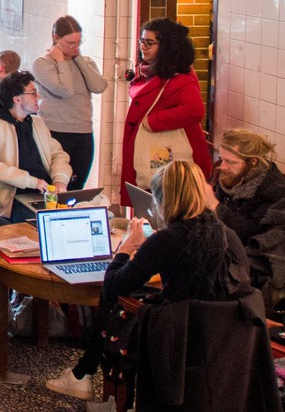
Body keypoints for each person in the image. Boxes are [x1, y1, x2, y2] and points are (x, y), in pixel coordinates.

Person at [46, 160, 252, 400]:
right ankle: (83, 372)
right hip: (225, 337)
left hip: (175, 335)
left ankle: (84, 373)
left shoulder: (166, 239)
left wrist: (125, 248)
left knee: (114, 305)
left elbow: (113, 287)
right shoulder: (227, 234)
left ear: (165, 200)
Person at [120, 17, 212, 206]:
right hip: (153, 151)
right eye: (141, 41)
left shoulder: (180, 79)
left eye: (149, 43)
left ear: (166, 47)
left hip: (167, 155)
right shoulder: (152, 72)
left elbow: (194, 110)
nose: (143, 47)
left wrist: (153, 122)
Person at [0, 71, 72, 222]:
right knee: (39, 224)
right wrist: (32, 182)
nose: (37, 97)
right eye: (33, 93)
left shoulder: (36, 123)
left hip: (44, 194)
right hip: (14, 200)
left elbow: (58, 154)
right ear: (17, 99)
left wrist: (60, 180)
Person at [206, 129, 285, 306]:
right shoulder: (228, 177)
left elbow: (254, 236)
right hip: (222, 251)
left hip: (252, 266)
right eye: (222, 158)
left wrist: (215, 207)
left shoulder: (274, 191)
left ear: (253, 162)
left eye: (230, 162)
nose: (222, 166)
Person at [33, 15, 108, 191]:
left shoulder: (85, 62)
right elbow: (65, 90)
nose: (75, 48)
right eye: (70, 43)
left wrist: (79, 59)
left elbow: (100, 86)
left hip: (83, 132)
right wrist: (61, 60)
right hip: (56, 131)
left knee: (77, 186)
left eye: (79, 43)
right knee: (57, 186)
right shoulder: (43, 64)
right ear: (56, 38)